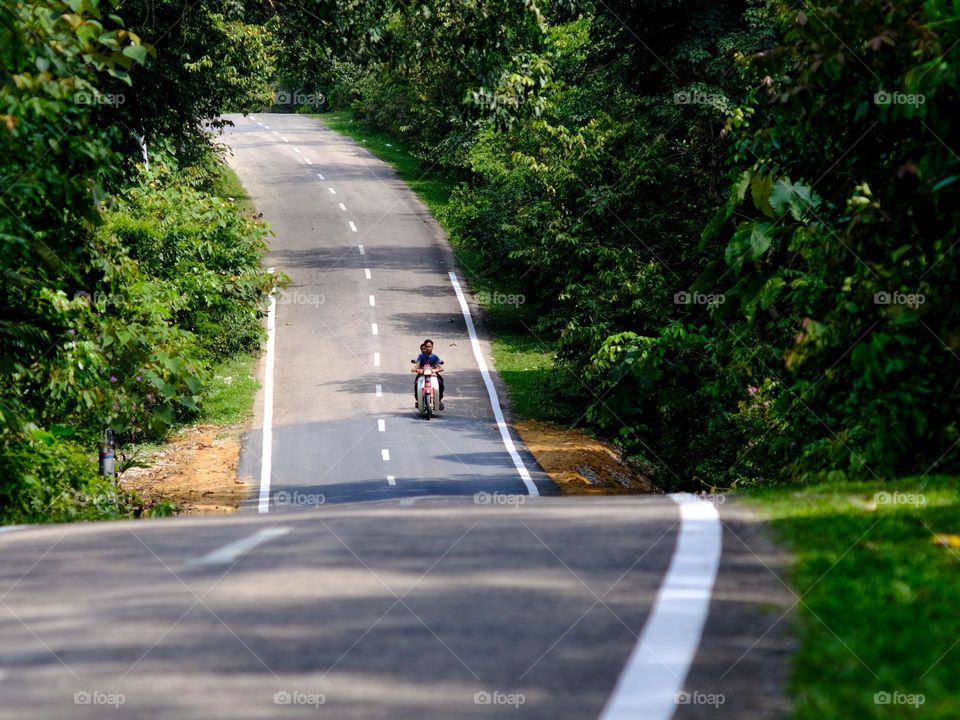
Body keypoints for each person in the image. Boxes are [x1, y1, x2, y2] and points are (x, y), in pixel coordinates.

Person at [412, 338, 444, 410]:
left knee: (440, 382)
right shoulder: (421, 356)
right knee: (416, 383)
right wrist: (415, 368)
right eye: (426, 347)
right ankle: (418, 400)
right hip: (422, 374)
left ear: (432, 347)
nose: (428, 348)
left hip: (433, 374)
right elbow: (418, 364)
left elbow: (439, 366)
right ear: (425, 347)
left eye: (430, 347)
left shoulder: (435, 357)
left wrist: (438, 369)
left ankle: (439, 400)